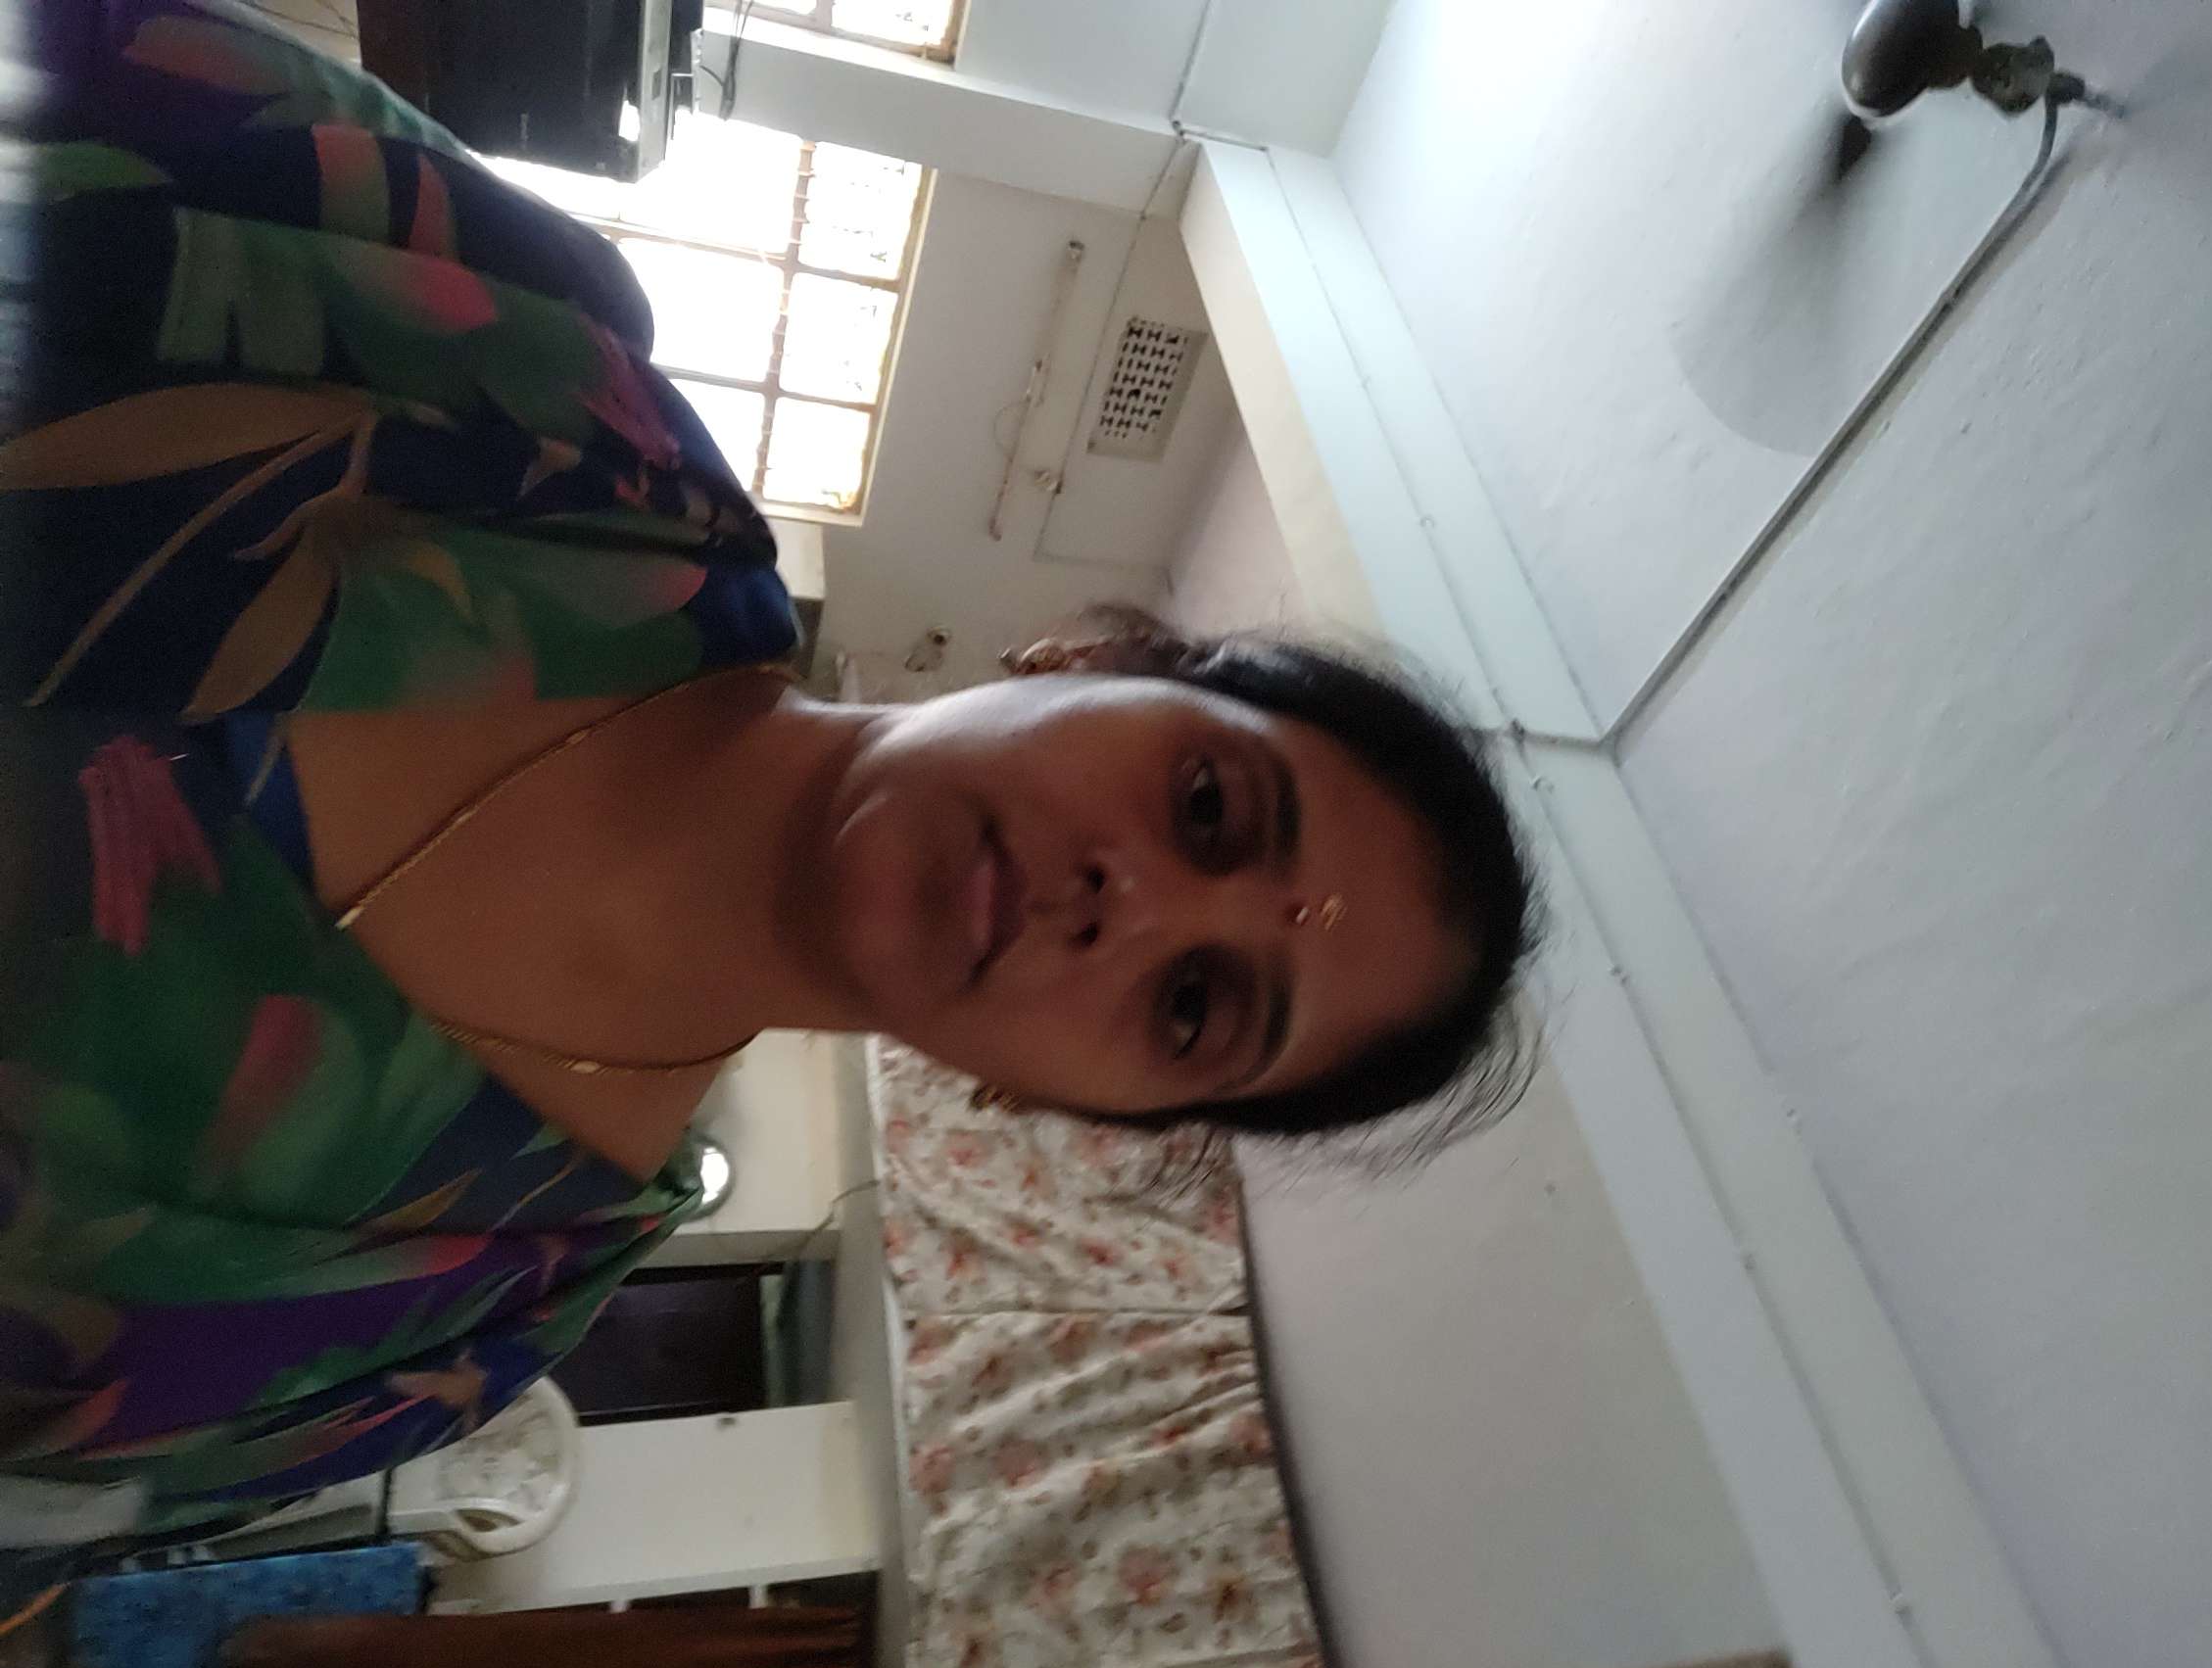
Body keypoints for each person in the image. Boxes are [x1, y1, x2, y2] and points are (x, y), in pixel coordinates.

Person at [0, 0, 1536, 1579]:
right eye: (1209, 808)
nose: (1126, 905)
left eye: (1196, 1005)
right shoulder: (538, 380)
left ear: (1067, 1104)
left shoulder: (450, 1324)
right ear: (1094, 657)